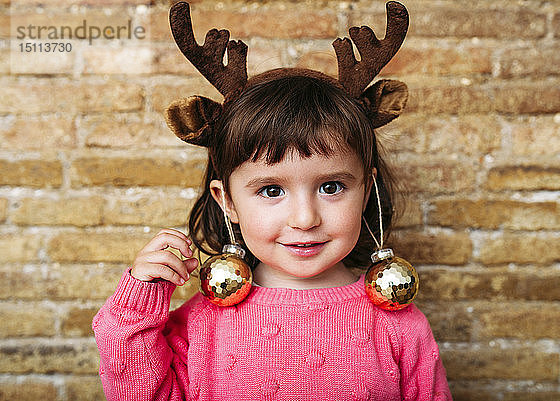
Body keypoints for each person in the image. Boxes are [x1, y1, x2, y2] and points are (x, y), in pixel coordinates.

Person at [93, 2, 452, 400]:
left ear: (366, 190)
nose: (304, 218)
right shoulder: (201, 323)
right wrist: (140, 303)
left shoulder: (400, 326)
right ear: (226, 200)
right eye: (271, 190)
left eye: (331, 187)